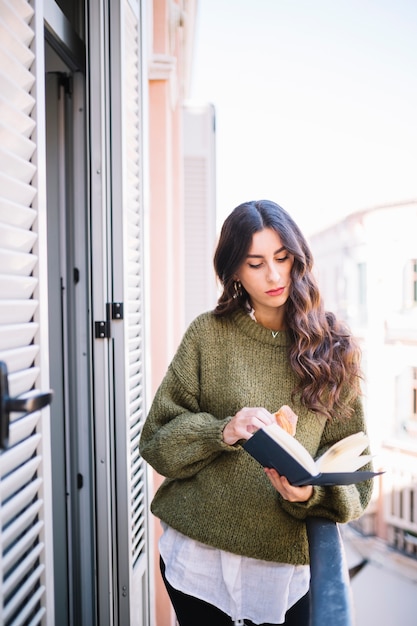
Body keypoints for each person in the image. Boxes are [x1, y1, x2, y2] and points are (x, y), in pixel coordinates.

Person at [139, 199, 374, 626]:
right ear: (233, 272)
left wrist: (309, 494)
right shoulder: (208, 335)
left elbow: (357, 482)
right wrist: (223, 430)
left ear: (298, 259)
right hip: (198, 559)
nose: (274, 275)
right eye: (255, 263)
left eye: (283, 258)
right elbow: (156, 442)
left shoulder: (334, 347)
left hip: (282, 571)